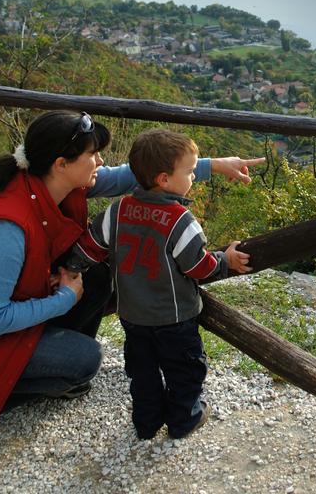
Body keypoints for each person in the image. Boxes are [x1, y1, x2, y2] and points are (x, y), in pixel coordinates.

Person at [0, 110, 261, 439]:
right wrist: (63, 300)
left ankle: (51, 368)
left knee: (98, 276)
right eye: (92, 155)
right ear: (61, 163)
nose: (100, 162)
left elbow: (141, 175)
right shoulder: (4, 228)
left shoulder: (58, 181)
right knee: (85, 360)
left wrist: (211, 165)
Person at [62, 128, 250, 440]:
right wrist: (225, 261)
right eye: (189, 172)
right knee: (184, 370)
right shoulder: (181, 220)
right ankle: (183, 419)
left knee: (142, 371)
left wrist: (70, 268)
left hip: (133, 316)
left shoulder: (117, 211)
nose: (192, 177)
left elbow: (89, 247)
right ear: (164, 179)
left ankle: (146, 422)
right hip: (174, 318)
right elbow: (199, 268)